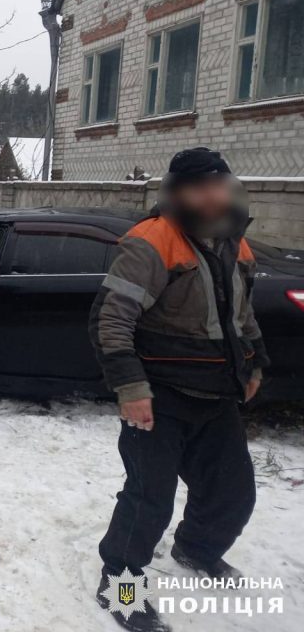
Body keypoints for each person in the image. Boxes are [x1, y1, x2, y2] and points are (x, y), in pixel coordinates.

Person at [89, 148, 267, 632]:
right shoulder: (152, 242)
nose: (212, 195)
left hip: (215, 396)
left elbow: (242, 316)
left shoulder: (235, 243)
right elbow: (111, 321)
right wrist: (130, 387)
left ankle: (197, 549)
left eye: (219, 185)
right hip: (158, 399)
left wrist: (255, 363)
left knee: (232, 493)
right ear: (179, 191)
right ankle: (121, 589)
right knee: (149, 500)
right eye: (200, 187)